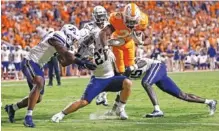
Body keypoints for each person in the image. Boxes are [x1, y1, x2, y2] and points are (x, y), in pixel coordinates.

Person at [4, 24, 97, 128]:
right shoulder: (56, 37)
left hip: (38, 66)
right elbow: (66, 54)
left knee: (38, 98)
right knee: (39, 82)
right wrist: (81, 62)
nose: (74, 42)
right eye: (74, 39)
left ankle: (12, 108)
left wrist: (80, 58)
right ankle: (28, 117)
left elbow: (64, 62)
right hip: (29, 61)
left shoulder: (62, 42)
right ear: (69, 35)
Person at [51, 41, 132, 123]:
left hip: (111, 78)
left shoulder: (107, 50)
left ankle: (120, 109)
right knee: (84, 102)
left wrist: (119, 76)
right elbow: (66, 62)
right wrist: (63, 56)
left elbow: (114, 66)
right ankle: (61, 114)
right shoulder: (87, 53)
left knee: (127, 82)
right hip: (98, 80)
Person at [124, 57, 217, 117]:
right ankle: (210, 102)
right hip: (156, 73)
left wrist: (133, 67)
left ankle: (157, 110)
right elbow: (122, 90)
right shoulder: (121, 74)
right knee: (182, 95)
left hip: (157, 66)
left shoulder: (129, 61)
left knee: (146, 83)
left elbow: (142, 62)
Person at [78, 6, 110, 106]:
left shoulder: (108, 24)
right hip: (94, 52)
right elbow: (83, 42)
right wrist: (80, 55)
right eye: (99, 16)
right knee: (104, 74)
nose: (101, 18)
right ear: (95, 16)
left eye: (102, 15)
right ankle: (100, 95)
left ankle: (101, 95)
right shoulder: (89, 27)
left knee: (106, 74)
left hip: (106, 51)